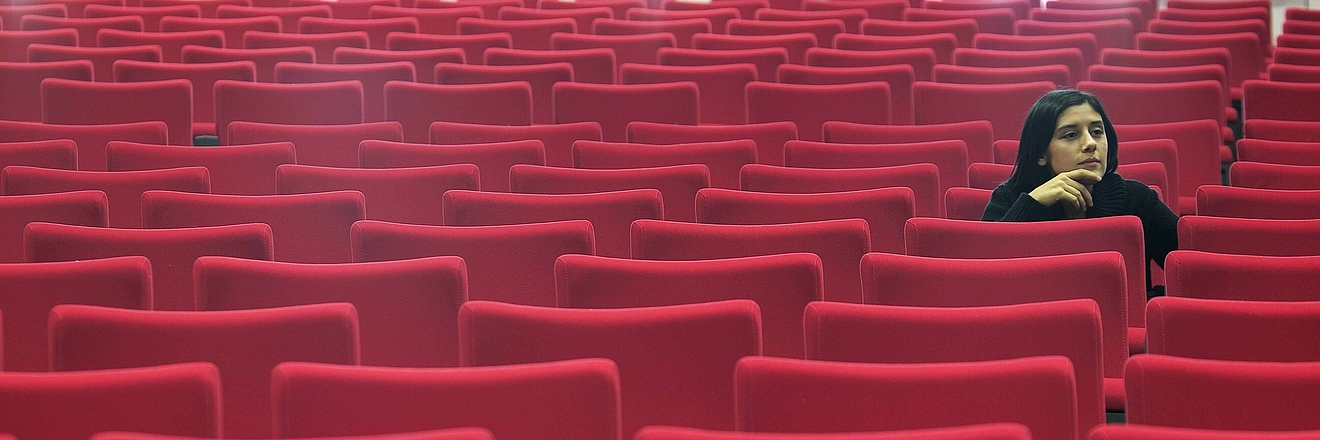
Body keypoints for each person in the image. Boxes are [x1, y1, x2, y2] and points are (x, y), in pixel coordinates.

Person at [982, 89, 1178, 273]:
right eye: (1071, 135)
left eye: (1097, 132)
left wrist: (1149, 299)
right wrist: (1032, 204)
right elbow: (984, 270)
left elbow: (1193, 270)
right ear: (1041, 153)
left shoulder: (1137, 199)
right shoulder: (1008, 199)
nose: (1090, 144)